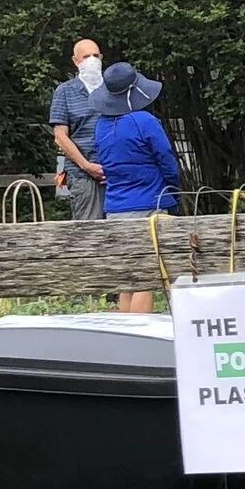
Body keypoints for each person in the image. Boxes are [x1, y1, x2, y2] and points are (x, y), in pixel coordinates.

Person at [92, 61, 180, 312]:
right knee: (146, 278)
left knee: (128, 276)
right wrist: (173, 187)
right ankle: (142, 330)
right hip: (149, 204)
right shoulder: (145, 121)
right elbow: (166, 160)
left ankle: (125, 332)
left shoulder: (101, 125)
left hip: (115, 208)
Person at [49, 39, 107, 220]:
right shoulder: (64, 91)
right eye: (86, 56)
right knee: (88, 227)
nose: (92, 60)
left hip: (115, 172)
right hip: (82, 175)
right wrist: (86, 166)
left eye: (96, 56)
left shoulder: (112, 88)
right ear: (75, 61)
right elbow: (60, 136)